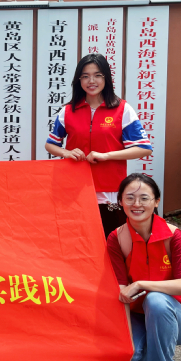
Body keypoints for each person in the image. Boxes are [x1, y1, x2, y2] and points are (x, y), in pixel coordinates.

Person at [107, 173, 181, 361]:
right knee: (126, 355)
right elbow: (121, 290)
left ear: (156, 201)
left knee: (156, 300)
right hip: (139, 317)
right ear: (120, 201)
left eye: (144, 198)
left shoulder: (173, 235)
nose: (136, 204)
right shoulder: (117, 238)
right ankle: (157, 352)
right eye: (129, 197)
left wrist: (142, 284)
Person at [45, 53, 153, 237]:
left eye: (97, 75)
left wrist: (106, 155)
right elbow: (50, 145)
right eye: (85, 76)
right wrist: (66, 153)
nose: (91, 81)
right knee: (76, 239)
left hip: (109, 191)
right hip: (74, 188)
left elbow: (144, 148)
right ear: (78, 80)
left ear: (106, 78)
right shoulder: (68, 111)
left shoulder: (122, 109)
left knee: (110, 241)